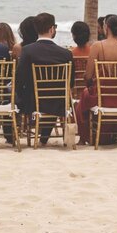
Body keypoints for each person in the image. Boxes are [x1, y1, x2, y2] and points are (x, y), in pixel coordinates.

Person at [75, 15, 117, 144]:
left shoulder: (97, 46)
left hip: (103, 97)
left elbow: (88, 76)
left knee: (84, 97)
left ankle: (84, 137)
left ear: (106, 28)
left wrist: (90, 86)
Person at [15, 13, 73, 143]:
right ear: (52, 29)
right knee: (54, 96)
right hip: (59, 102)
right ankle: (44, 137)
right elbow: (71, 82)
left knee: (19, 94)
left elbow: (20, 79)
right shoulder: (66, 54)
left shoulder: (28, 51)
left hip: (34, 101)